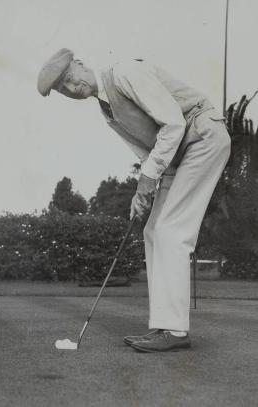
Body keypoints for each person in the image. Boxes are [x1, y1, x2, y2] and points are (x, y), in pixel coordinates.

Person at [37, 48, 231, 352]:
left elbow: (174, 124)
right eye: (63, 88)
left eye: (69, 78)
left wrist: (147, 180)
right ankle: (165, 326)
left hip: (202, 136)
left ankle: (175, 331)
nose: (72, 88)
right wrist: (143, 193)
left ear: (80, 64)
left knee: (171, 231)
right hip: (176, 157)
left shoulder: (125, 73)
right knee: (153, 230)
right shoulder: (106, 111)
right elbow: (147, 152)